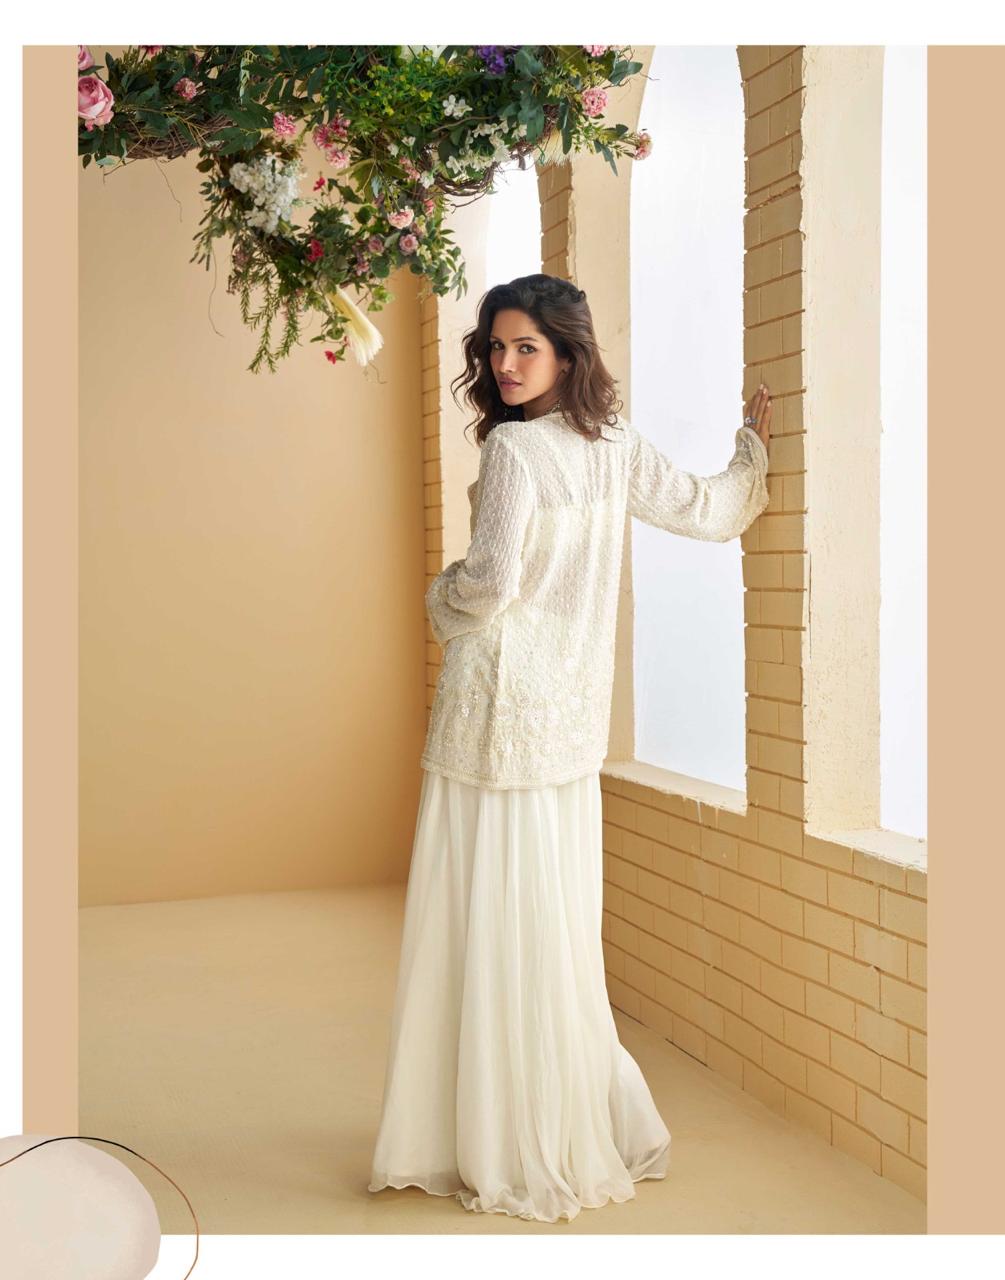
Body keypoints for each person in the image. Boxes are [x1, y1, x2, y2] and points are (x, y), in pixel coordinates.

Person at [368, 274, 772, 1223]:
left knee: (486, 923)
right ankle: (545, 1122)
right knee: (547, 928)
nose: (506, 367)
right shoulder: (613, 445)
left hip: (493, 712)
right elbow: (712, 511)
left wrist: (438, 600)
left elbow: (489, 582)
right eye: (497, 348)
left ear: (565, 354)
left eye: (525, 349)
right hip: (565, 729)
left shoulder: (513, 451)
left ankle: (495, 1136)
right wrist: (752, 450)